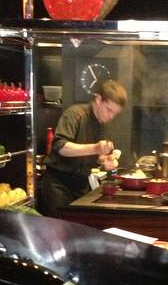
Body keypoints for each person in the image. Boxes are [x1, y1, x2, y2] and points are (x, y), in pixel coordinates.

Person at [40, 79, 127, 217]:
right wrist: (95, 148)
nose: (111, 117)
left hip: (81, 184)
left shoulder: (104, 123)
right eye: (109, 110)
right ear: (98, 99)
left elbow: (94, 156)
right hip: (58, 184)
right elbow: (60, 147)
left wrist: (105, 160)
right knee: (59, 227)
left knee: (83, 224)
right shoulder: (75, 114)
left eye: (115, 113)